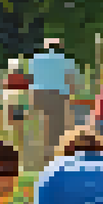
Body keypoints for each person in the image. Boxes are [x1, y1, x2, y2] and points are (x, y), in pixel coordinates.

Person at [29, 39, 78, 170]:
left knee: (40, 126)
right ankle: (54, 157)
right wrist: (70, 96)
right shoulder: (66, 60)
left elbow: (32, 78)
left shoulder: (35, 59)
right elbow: (71, 80)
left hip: (38, 95)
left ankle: (38, 158)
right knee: (57, 128)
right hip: (57, 95)